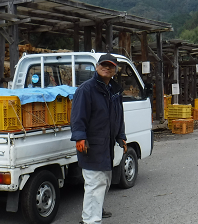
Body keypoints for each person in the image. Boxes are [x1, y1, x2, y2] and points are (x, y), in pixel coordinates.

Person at [70, 53, 127, 224]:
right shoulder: (86, 89)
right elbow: (77, 116)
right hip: (91, 145)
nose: (106, 68)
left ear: (115, 70)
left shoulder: (114, 90)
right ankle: (91, 220)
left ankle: (94, 210)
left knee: (105, 180)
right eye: (103, 64)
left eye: (110, 66)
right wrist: (80, 137)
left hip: (107, 145)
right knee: (95, 183)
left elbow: (118, 116)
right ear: (96, 67)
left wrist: (121, 136)